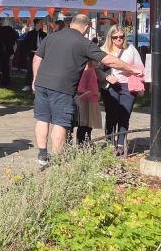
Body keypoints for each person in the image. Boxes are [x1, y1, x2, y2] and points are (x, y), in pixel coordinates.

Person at [31, 14, 142, 167]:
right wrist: (132, 69)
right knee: (60, 122)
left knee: (42, 119)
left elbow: (37, 58)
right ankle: (57, 159)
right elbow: (108, 60)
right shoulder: (83, 42)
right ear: (86, 27)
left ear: (71, 24)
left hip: (42, 83)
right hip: (62, 87)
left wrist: (34, 80)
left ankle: (42, 155)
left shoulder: (51, 37)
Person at [96, 25, 145, 156]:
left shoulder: (131, 49)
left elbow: (140, 67)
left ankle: (120, 145)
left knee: (125, 115)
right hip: (110, 86)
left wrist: (137, 74)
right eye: (115, 37)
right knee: (111, 115)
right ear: (110, 38)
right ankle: (109, 143)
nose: (119, 39)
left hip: (128, 86)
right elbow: (96, 69)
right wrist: (106, 77)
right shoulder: (103, 50)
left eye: (121, 37)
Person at [74, 62, 101, 144]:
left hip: (91, 99)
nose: (98, 62)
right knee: (84, 126)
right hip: (87, 101)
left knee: (88, 126)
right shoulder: (87, 70)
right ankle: (82, 144)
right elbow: (81, 89)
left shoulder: (91, 69)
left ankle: (86, 143)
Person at [22, 20, 47, 92]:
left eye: (41, 24)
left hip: (41, 54)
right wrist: (29, 50)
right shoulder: (30, 33)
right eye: (40, 23)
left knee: (40, 70)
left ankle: (38, 85)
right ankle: (27, 85)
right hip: (31, 53)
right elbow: (25, 44)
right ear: (36, 24)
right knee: (30, 69)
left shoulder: (44, 34)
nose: (41, 25)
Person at [0, 21, 18, 86]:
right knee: (5, 66)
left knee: (2, 66)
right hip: (7, 50)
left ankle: (3, 81)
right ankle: (6, 80)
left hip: (2, 51)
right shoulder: (4, 30)